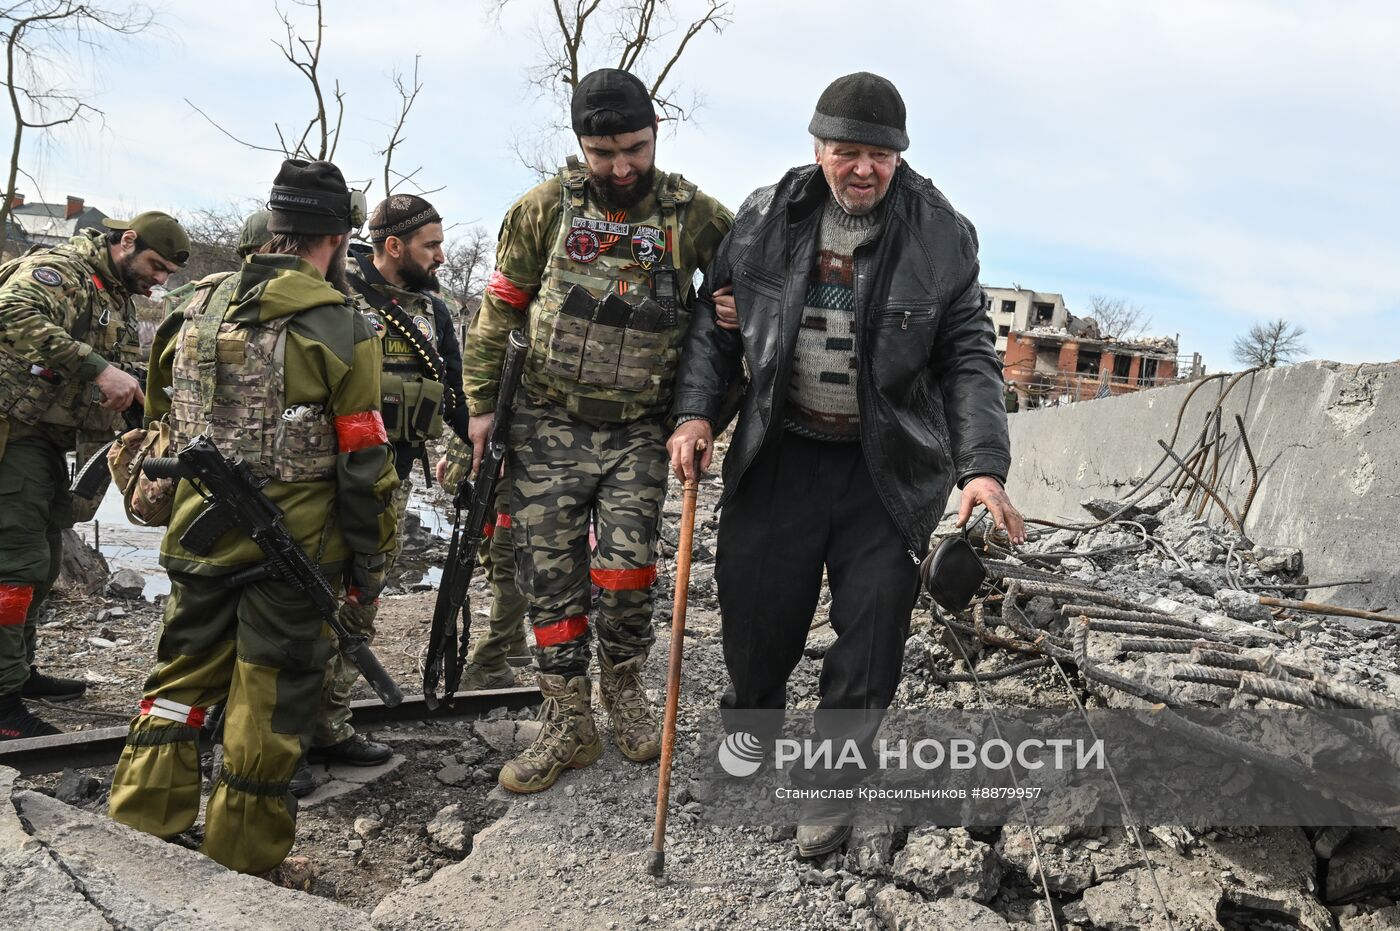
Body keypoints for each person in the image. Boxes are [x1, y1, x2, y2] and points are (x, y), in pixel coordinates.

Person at [666, 72, 1026, 857]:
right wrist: (695, 413)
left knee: (872, 628)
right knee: (758, 612)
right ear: (818, 148)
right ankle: (748, 740)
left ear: (900, 156)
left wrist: (982, 467)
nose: (862, 168)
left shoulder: (941, 234)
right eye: (847, 151)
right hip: (782, 449)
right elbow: (713, 325)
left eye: (879, 154)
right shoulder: (765, 217)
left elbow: (970, 356)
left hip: (886, 464)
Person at [108, 159, 399, 875]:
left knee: (177, 682)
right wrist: (370, 564)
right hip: (292, 552)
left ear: (274, 225)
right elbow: (365, 466)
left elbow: (161, 422)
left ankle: (140, 827)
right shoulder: (341, 327)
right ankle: (240, 862)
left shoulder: (192, 307)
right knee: (269, 703)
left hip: (194, 536)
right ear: (334, 236)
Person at [461, 68, 732, 794]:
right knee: (549, 578)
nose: (621, 167)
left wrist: (706, 402)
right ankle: (567, 718)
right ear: (581, 144)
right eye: (603, 151)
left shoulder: (695, 216)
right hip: (545, 423)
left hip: (640, 432)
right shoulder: (543, 209)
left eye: (635, 149)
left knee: (624, 574)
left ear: (656, 135)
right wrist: (481, 407)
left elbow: (741, 303)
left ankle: (624, 692)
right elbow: (500, 312)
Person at [293, 195, 477, 790]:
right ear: (392, 246)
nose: (442, 256)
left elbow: (452, 390)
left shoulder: (433, 309)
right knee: (302, 603)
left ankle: (331, 723)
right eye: (431, 244)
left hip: (388, 475)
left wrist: (471, 448)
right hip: (323, 475)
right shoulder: (337, 292)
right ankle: (279, 742)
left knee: (361, 598)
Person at [0, 210, 189, 740]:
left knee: (44, 560)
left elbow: (119, 373)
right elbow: (10, 312)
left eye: (167, 273)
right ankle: (1, 703)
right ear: (126, 241)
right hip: (11, 435)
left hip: (41, 442)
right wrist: (97, 368)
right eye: (155, 265)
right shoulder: (61, 272)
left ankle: (19, 671)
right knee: (14, 565)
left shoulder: (115, 298)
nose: (159, 279)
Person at [436, 432, 530, 691]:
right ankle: (513, 638)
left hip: (529, 458)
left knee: (509, 558)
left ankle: (491, 662)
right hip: (492, 456)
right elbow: (481, 403)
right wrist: (460, 453)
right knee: (488, 545)